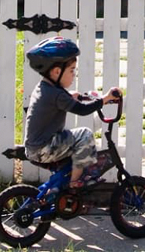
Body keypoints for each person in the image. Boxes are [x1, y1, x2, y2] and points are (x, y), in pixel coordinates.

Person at [23, 36, 123, 191]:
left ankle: (58, 191)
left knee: (74, 145)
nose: (74, 74)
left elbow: (57, 101)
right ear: (57, 72)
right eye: (71, 70)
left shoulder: (45, 88)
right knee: (84, 134)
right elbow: (82, 110)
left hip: (35, 147)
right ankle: (75, 182)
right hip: (44, 148)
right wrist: (106, 99)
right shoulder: (57, 95)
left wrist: (70, 97)